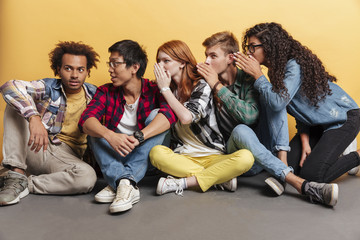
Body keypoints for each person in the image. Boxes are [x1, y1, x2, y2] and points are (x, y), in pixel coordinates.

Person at [197, 31, 339, 207]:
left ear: (230, 58)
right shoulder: (204, 84)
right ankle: (300, 184)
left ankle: (281, 161)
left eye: (213, 56)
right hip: (239, 157)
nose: (207, 62)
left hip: (264, 149)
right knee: (241, 130)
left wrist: (217, 86)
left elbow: (249, 116)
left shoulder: (248, 80)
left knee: (273, 100)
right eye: (206, 56)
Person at [234, 22, 360, 186]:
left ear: (269, 46)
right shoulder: (275, 71)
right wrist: (305, 142)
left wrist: (258, 75)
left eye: (253, 47)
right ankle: (334, 149)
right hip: (318, 124)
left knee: (314, 174)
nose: (249, 53)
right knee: (292, 167)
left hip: (343, 118)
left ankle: (354, 154)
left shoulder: (294, 65)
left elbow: (278, 103)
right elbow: (301, 110)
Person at [78, 40, 176, 213]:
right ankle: (126, 182)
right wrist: (110, 135)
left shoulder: (154, 89)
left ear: (134, 67)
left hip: (147, 158)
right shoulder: (105, 92)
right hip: (117, 154)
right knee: (94, 130)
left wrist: (139, 137)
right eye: (110, 64)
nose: (110, 69)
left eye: (115, 64)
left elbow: (169, 116)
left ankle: (119, 181)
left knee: (157, 117)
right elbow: (86, 120)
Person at [149, 40, 254, 196]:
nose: (160, 66)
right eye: (158, 61)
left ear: (182, 63)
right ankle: (218, 178)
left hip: (213, 155)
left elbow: (186, 117)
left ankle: (183, 183)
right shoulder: (165, 90)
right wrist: (165, 89)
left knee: (246, 158)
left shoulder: (201, 85)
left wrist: (164, 89)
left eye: (166, 61)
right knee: (156, 153)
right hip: (183, 157)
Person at [0, 41, 99, 205]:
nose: (74, 75)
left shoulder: (95, 94)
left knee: (86, 177)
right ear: (58, 69)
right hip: (39, 147)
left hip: (66, 160)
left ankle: (23, 183)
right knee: (15, 103)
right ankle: (16, 173)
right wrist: (34, 117)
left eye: (80, 69)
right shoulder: (49, 88)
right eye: (68, 68)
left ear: (88, 71)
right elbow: (10, 86)